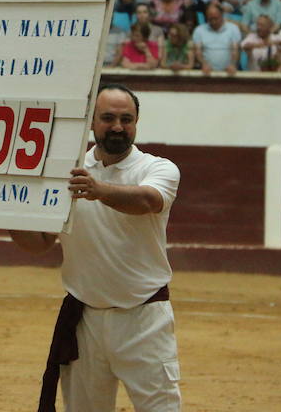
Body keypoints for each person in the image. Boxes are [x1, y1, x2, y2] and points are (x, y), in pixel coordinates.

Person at [11, 84, 182, 412]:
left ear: (136, 122)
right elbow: (40, 243)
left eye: (125, 119)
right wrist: (5, 213)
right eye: (107, 118)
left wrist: (97, 189)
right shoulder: (66, 171)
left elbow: (148, 201)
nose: (117, 126)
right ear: (91, 122)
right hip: (85, 320)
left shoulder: (158, 168)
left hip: (144, 317)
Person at [193, 3, 241, 74]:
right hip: (207, 73)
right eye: (210, 19)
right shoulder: (199, 30)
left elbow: (235, 50)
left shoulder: (233, 28)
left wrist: (232, 64)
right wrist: (203, 63)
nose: (213, 21)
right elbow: (198, 51)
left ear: (222, 15)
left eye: (216, 18)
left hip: (228, 73)